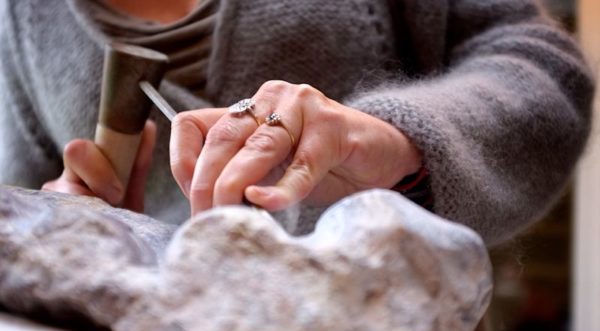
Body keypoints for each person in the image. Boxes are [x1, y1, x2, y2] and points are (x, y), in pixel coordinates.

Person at [0, 0, 594, 246]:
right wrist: (62, 219)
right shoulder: (21, 16)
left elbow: (544, 69)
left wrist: (399, 140)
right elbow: (19, 209)